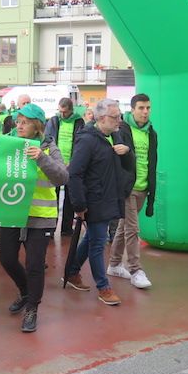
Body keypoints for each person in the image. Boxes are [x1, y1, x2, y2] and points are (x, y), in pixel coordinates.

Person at [0, 105, 68, 332]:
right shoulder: (8, 143)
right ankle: (25, 290)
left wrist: (41, 159)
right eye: (18, 121)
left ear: (37, 125)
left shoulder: (49, 147)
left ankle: (32, 308)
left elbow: (62, 177)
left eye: (25, 122)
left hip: (40, 215)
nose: (19, 125)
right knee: (7, 258)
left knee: (35, 265)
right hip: (11, 211)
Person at [64, 99, 134, 306]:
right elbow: (74, 174)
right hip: (94, 201)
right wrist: (79, 205)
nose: (119, 121)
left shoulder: (115, 136)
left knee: (91, 239)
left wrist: (127, 152)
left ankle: (72, 272)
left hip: (110, 197)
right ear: (102, 118)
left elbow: (127, 165)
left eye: (120, 116)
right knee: (98, 243)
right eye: (115, 117)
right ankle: (103, 287)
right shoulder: (87, 140)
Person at [107, 94, 157, 289]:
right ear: (133, 109)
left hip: (143, 187)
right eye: (141, 108)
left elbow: (152, 161)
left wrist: (151, 187)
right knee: (132, 229)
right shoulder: (121, 130)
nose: (145, 112)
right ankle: (136, 270)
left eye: (148, 108)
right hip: (127, 188)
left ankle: (114, 264)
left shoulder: (151, 132)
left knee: (123, 227)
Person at [44, 97, 85, 235]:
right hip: (55, 164)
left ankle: (66, 228)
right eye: (60, 111)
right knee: (52, 196)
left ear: (71, 111)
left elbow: (80, 142)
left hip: (71, 164)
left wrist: (73, 160)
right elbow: (48, 139)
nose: (62, 115)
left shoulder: (79, 122)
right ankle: (50, 228)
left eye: (65, 112)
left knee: (70, 197)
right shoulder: (54, 120)